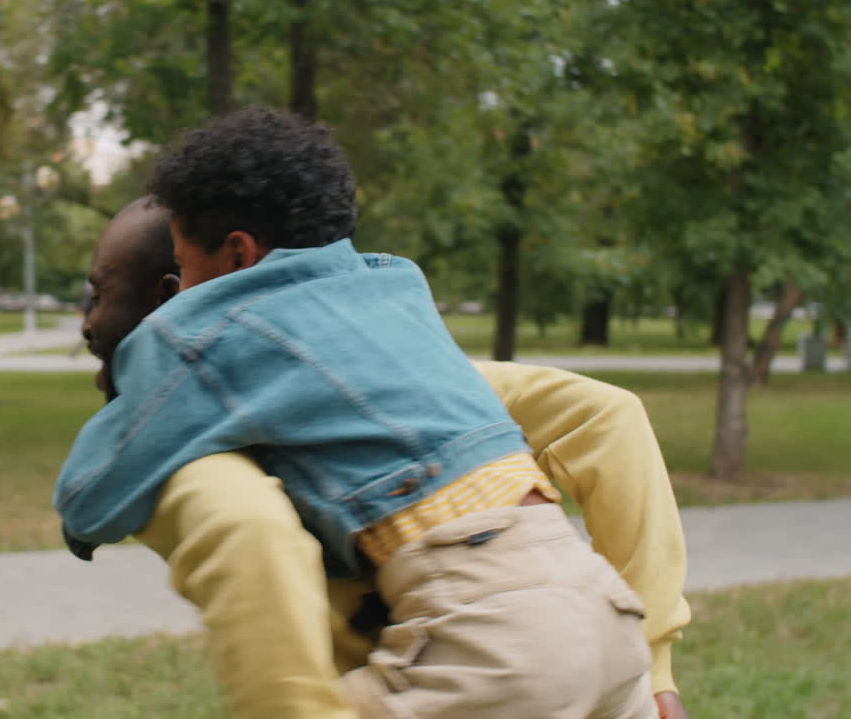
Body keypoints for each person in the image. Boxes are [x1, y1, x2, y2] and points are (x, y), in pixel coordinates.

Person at [57, 108, 687, 718]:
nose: (179, 290)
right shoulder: (397, 291)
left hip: (492, 636)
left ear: (237, 253)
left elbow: (96, 488)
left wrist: (83, 516)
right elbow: (604, 413)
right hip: (605, 614)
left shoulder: (206, 334)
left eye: (182, 265)